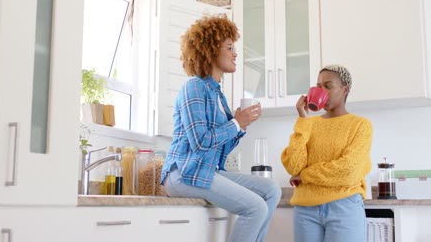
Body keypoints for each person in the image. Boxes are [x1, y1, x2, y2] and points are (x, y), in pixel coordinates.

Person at [160, 14, 281, 242]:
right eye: (229, 47)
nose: (235, 54)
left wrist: (240, 125)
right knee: (255, 207)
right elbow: (201, 142)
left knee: (271, 190)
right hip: (183, 173)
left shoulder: (217, 94)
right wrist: (235, 123)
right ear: (211, 49)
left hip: (206, 170)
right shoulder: (193, 87)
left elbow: (220, 147)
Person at [281, 65, 373, 242]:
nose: (320, 90)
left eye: (328, 86)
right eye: (318, 85)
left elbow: (348, 171)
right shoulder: (309, 123)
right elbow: (293, 165)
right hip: (305, 209)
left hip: (344, 206)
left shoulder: (361, 125)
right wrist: (302, 119)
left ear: (344, 90)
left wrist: (305, 176)